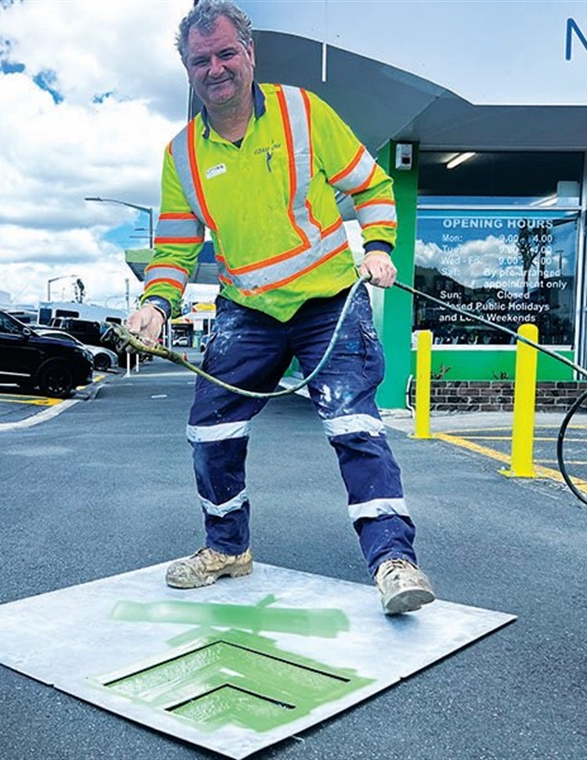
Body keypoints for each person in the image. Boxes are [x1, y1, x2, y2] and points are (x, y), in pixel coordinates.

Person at [125, 0, 435, 615]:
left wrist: (377, 248)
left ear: (249, 54)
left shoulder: (303, 113)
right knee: (209, 429)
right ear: (187, 70)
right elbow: (175, 247)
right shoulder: (182, 154)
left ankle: (395, 562)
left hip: (328, 299)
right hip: (248, 309)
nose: (214, 68)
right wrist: (157, 305)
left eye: (224, 53)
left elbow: (371, 185)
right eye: (199, 60)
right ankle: (226, 549)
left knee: (353, 425)